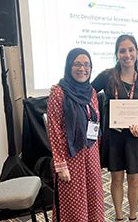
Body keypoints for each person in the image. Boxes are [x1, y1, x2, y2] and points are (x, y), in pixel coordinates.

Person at [92, 34, 138, 221]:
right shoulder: (108, 76)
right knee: (116, 178)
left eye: (131, 50)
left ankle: (132, 217)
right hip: (114, 137)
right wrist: (62, 88)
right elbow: (86, 91)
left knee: (134, 179)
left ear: (137, 53)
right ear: (117, 54)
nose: (127, 55)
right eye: (122, 51)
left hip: (135, 138)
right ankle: (119, 217)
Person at [47, 48, 104, 222]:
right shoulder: (59, 92)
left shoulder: (92, 92)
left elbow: (95, 122)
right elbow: (54, 130)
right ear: (69, 66)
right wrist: (60, 165)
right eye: (77, 64)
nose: (82, 69)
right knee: (74, 201)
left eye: (86, 65)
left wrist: (96, 154)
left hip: (91, 154)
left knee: (93, 197)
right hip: (70, 157)